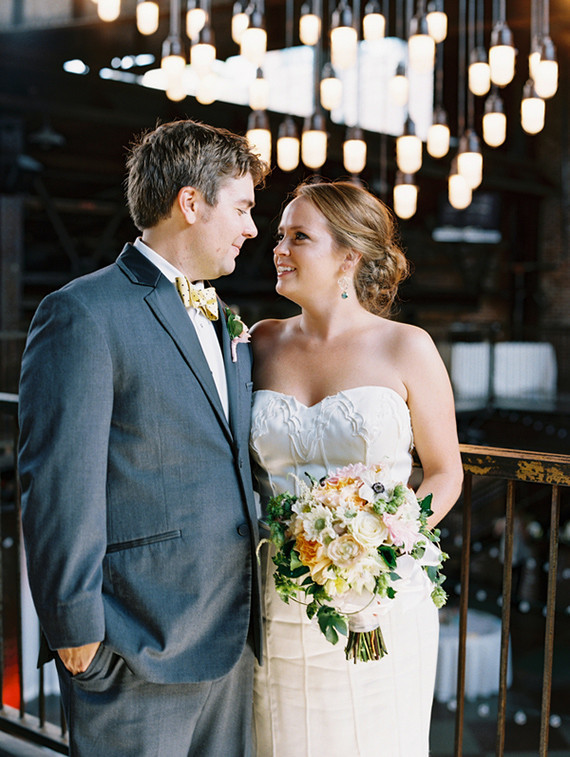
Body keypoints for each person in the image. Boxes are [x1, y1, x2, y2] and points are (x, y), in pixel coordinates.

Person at [18, 119, 269, 756]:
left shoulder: (224, 320)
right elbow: (58, 480)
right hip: (135, 641)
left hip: (232, 633)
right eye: (242, 208)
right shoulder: (83, 312)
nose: (252, 228)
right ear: (191, 203)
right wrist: (75, 626)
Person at [249, 179, 464, 756]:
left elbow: (445, 472)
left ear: (349, 256)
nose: (278, 249)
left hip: (383, 597)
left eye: (299, 237)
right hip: (283, 597)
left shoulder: (407, 346)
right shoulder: (260, 343)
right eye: (279, 235)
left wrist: (385, 543)